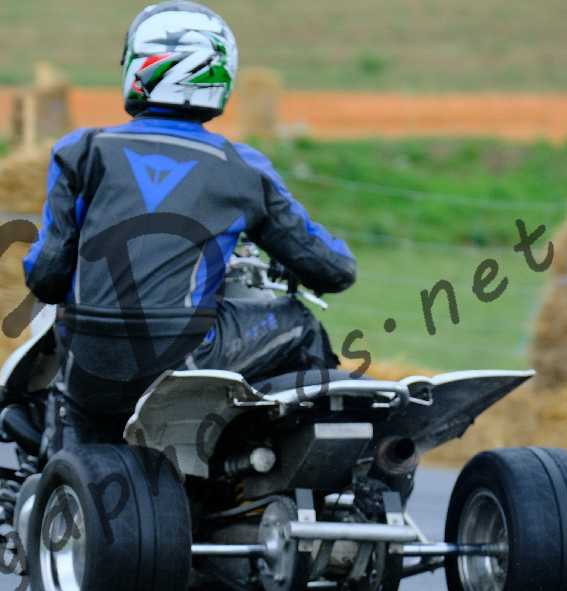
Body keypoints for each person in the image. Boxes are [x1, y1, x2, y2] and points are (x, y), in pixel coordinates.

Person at [23, 1, 356, 448]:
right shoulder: (242, 167)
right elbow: (333, 271)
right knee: (299, 322)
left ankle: (55, 450)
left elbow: (45, 277)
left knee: (64, 329)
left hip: (88, 366)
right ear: (220, 76)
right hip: (184, 363)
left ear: (138, 66)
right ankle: (286, 459)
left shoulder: (79, 150)